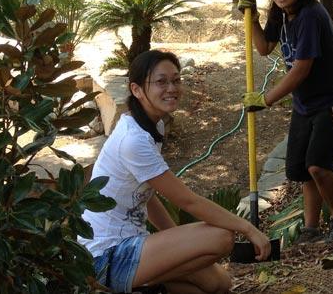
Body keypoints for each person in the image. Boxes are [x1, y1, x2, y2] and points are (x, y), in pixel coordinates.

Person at [80, 50, 271, 294]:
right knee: (221, 237)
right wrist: (248, 228)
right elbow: (187, 200)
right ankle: (133, 286)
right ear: (137, 90)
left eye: (176, 80)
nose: (172, 88)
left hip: (131, 247)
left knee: (217, 284)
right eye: (161, 82)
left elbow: (147, 196)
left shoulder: (152, 124)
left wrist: (177, 245)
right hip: (107, 258)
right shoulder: (133, 140)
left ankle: (146, 286)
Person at [237, 0, 333, 245]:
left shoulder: (310, 16)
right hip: (306, 104)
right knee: (302, 170)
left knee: (318, 165)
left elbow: (302, 68)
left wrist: (265, 99)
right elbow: (265, 47)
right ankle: (311, 229)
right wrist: (252, 19)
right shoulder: (281, 14)